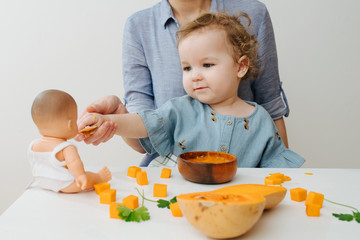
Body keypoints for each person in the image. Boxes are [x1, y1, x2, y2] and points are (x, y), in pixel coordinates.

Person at [76, 0, 291, 166]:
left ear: (241, 66)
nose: (195, 76)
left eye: (207, 65)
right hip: (176, 189)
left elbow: (279, 164)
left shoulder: (261, 119)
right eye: (186, 68)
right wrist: (110, 118)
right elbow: (146, 124)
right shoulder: (179, 110)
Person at [29, 89, 112, 193]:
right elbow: (74, 162)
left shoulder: (33, 145)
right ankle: (99, 177)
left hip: (41, 181)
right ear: (70, 125)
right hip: (65, 185)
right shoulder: (66, 148)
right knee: (87, 177)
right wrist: (81, 176)